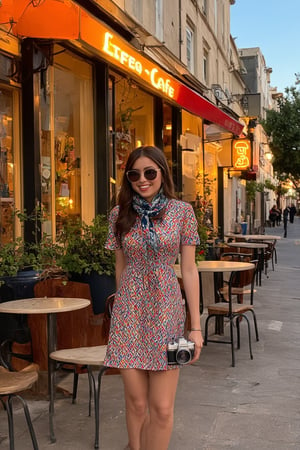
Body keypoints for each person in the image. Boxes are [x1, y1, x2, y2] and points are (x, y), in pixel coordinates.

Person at [104, 145, 203, 450]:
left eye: (150, 172)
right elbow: (120, 268)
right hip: (128, 317)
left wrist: (195, 327)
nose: (142, 180)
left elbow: (188, 269)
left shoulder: (182, 212)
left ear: (162, 173)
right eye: (134, 174)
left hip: (169, 314)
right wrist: (120, 310)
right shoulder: (119, 214)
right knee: (135, 404)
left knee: (161, 407)